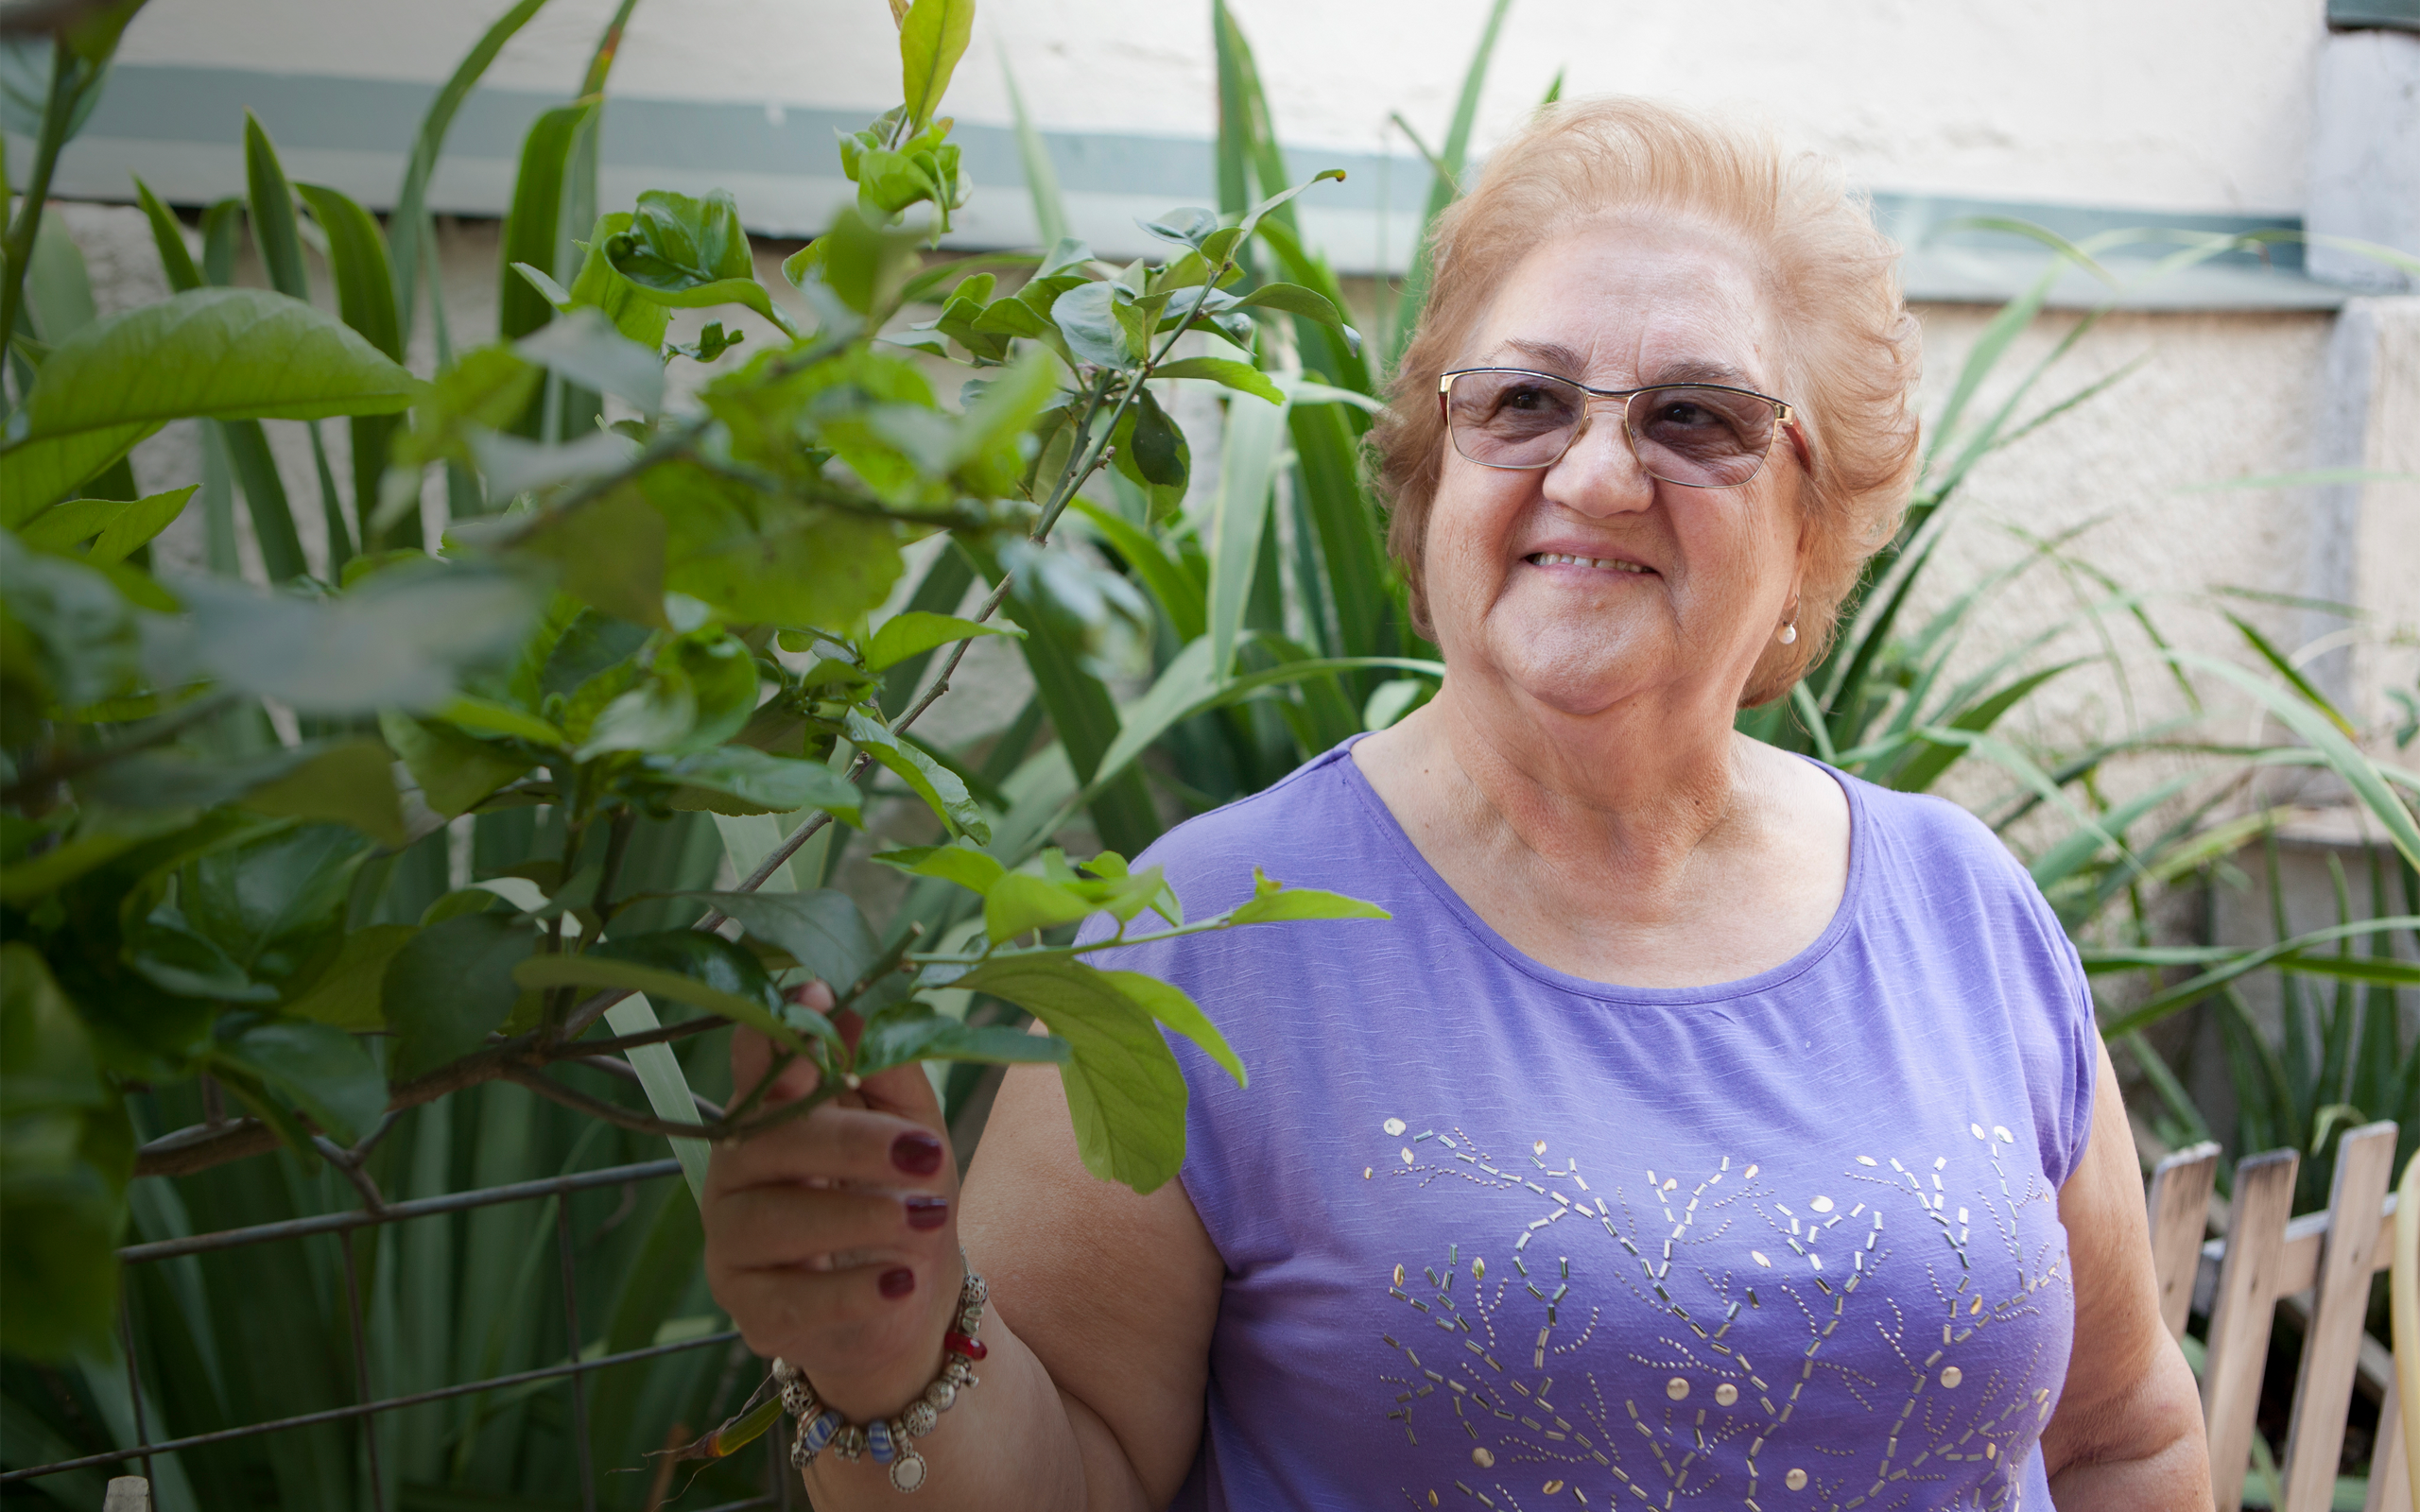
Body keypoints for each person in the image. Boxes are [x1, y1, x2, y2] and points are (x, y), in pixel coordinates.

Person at [703, 97, 2210, 1510]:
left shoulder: (1962, 906)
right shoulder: (1197, 936)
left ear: (1811, 532)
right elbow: (1075, 1479)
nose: (1601, 473)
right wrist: (889, 1357)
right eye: (1527, 402)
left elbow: (2124, 1434)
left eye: (1697, 417)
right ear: (1437, 479)